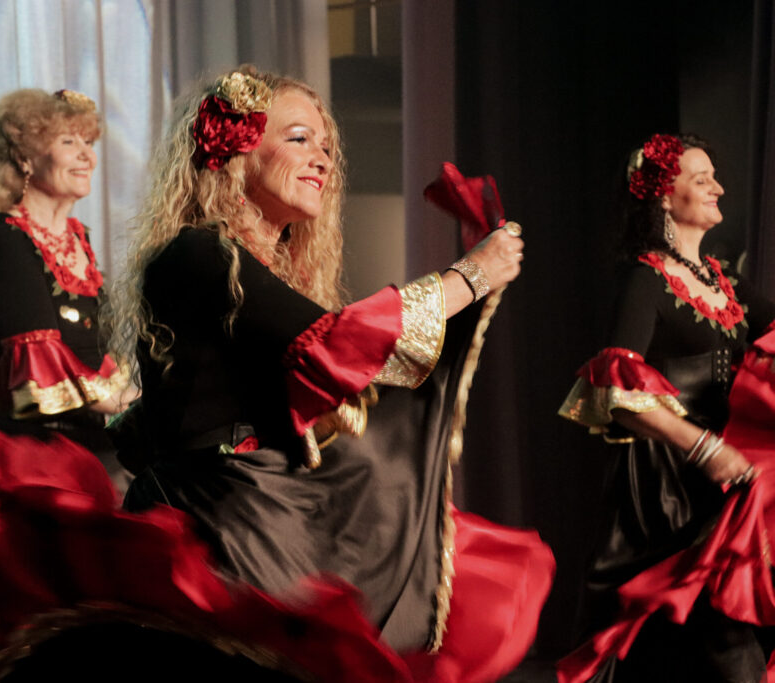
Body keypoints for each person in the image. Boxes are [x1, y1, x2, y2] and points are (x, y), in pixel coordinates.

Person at [108, 67, 552, 677]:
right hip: (215, 523)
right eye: (298, 139)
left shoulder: (257, 266)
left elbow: (354, 364)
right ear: (236, 150)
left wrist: (469, 290)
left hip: (257, 509)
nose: (321, 159)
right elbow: (337, 343)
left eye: (326, 147)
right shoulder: (201, 252)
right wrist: (469, 278)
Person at [558, 133, 775, 682]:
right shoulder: (645, 279)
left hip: (726, 483)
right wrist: (706, 448)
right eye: (701, 180)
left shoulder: (725, 281)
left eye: (714, 177)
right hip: (668, 486)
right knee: (716, 641)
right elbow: (618, 397)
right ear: (661, 195)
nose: (718, 188)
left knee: (712, 643)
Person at [0, 88, 132, 490]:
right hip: (11, 446)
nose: (87, 156)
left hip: (79, 438)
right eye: (68, 142)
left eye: (88, 142)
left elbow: (99, 353)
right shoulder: (4, 240)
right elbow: (40, 359)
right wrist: (125, 405)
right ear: (25, 158)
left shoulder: (78, 238)